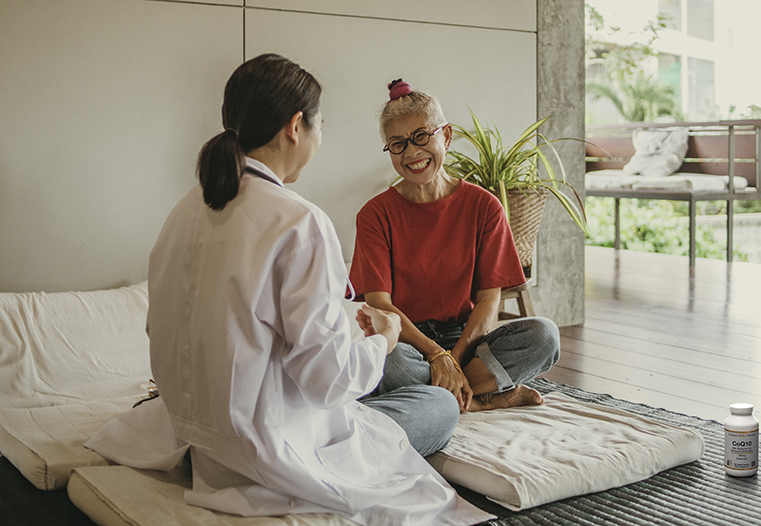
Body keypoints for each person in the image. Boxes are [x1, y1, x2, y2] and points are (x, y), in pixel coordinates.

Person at [145, 55, 491, 525]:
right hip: (265, 447)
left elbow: (181, 326)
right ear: (295, 126)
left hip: (193, 432)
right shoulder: (298, 220)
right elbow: (325, 379)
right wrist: (382, 341)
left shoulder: (186, 209)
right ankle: (465, 388)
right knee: (438, 407)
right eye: (320, 125)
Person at [350, 79, 560, 412]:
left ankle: (446, 395)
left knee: (545, 336)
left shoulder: (485, 206)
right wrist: (433, 354)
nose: (412, 152)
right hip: (408, 341)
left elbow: (489, 299)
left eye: (421, 137)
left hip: (468, 340)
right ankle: (480, 399)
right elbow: (381, 305)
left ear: (445, 136)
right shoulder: (374, 215)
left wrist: (452, 358)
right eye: (397, 144)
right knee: (385, 361)